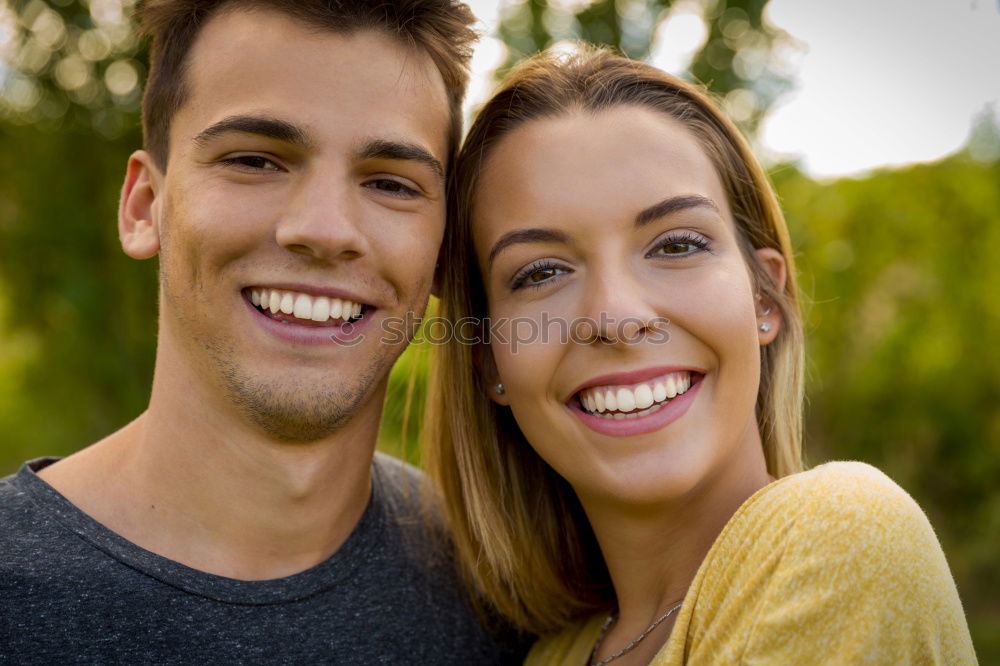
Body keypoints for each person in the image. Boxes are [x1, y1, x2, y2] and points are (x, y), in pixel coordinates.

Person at [0, 1, 524, 663]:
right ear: (144, 207)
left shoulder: (510, 595)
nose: (326, 230)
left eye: (390, 183)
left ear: (445, 246)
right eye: (255, 161)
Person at [424, 46, 977, 665]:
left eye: (676, 244)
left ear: (765, 297)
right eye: (543, 271)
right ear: (490, 360)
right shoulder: (553, 652)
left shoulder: (841, 535)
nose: (618, 317)